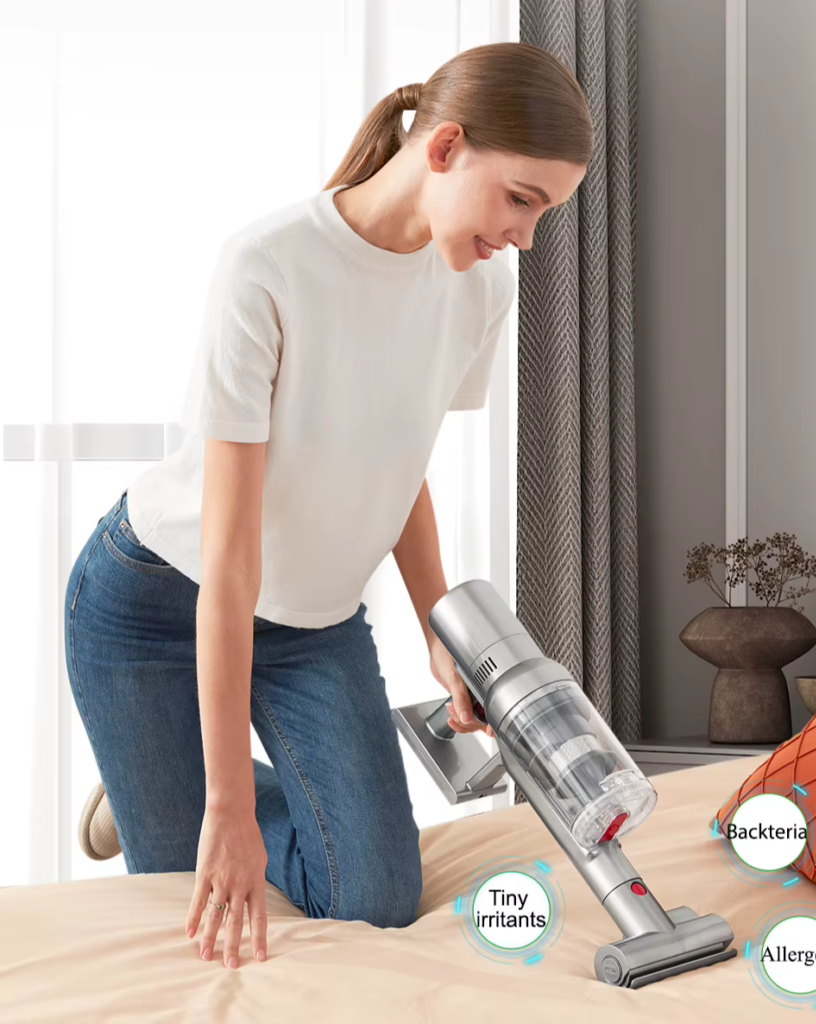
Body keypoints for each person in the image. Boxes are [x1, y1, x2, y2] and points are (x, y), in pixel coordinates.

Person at [63, 41, 593, 973]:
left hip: (311, 623)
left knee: (373, 899)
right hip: (161, 604)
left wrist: (438, 633)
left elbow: (398, 463)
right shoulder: (267, 266)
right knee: (185, 875)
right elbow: (228, 563)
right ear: (444, 148)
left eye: (543, 212)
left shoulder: (477, 289)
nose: (525, 237)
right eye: (520, 199)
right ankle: (165, 789)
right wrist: (225, 811)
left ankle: (157, 782)